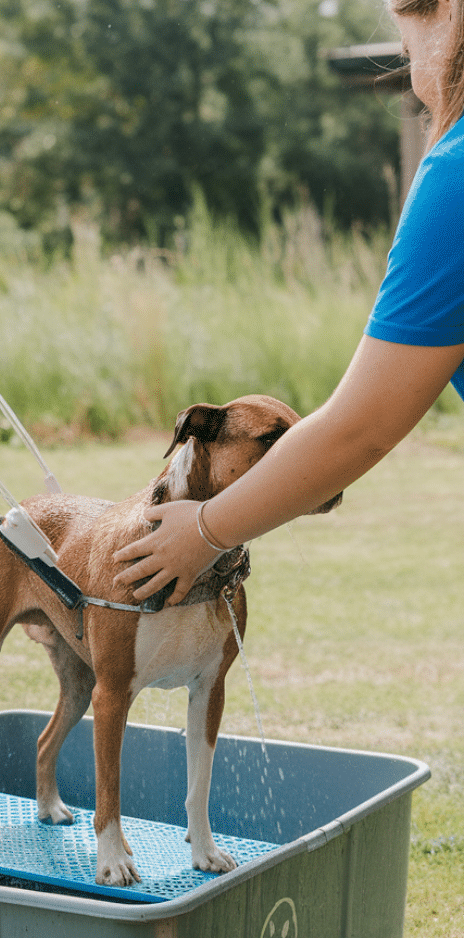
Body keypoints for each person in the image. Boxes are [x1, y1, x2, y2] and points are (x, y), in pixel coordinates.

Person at [113, 0, 464, 606]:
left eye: (409, 54)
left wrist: (204, 530)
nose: (414, 80)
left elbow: (361, 428)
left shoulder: (456, 177)